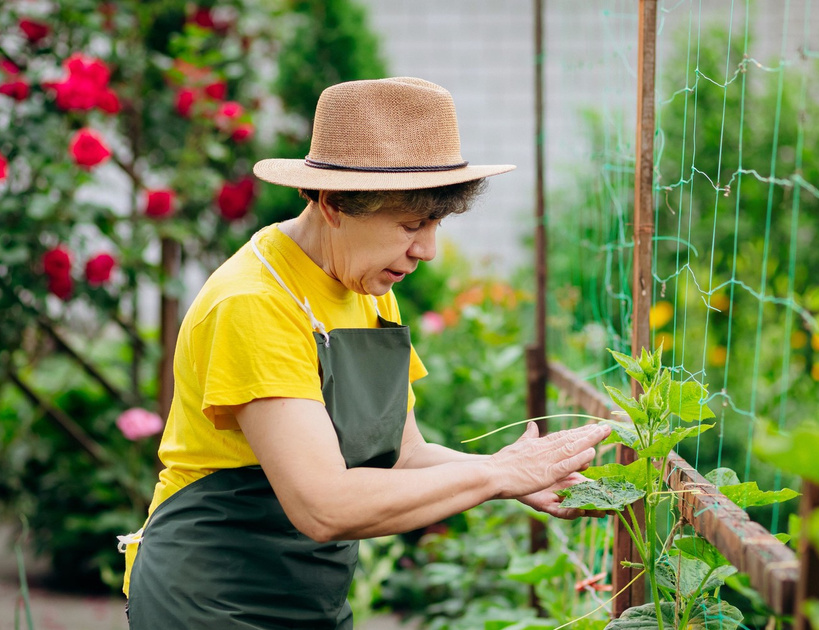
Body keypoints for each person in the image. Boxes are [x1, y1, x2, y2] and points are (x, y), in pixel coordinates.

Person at [120, 77, 612, 629]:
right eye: (411, 224)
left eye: (436, 224)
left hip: (309, 598)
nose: (426, 250)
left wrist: (520, 475)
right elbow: (323, 505)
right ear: (333, 204)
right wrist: (497, 476)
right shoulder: (254, 303)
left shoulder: (369, 288)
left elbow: (403, 456)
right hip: (210, 598)